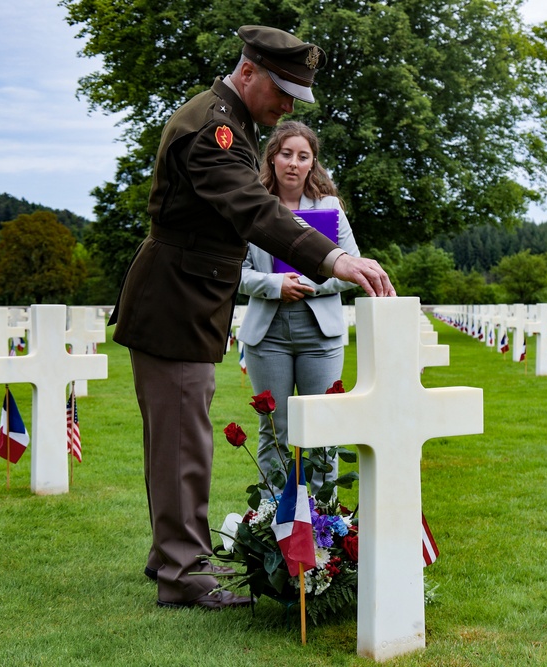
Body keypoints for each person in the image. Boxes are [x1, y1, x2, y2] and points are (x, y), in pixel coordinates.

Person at [110, 25, 395, 611]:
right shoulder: (215, 130)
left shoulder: (229, 121)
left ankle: (172, 553)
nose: (289, 106)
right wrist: (333, 257)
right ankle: (183, 571)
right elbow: (252, 209)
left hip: (187, 299)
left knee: (181, 438)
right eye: (284, 91)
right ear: (249, 73)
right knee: (183, 443)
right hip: (175, 302)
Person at [238, 121, 356, 499]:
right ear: (271, 158)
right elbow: (235, 273)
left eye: (302, 156)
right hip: (267, 335)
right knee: (274, 428)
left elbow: (351, 267)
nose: (293, 162)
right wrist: (275, 285)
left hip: (320, 333)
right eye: (286, 154)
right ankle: (275, 517)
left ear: (312, 164)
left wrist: (310, 285)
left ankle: (324, 521)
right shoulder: (251, 206)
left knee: (324, 424)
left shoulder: (329, 207)